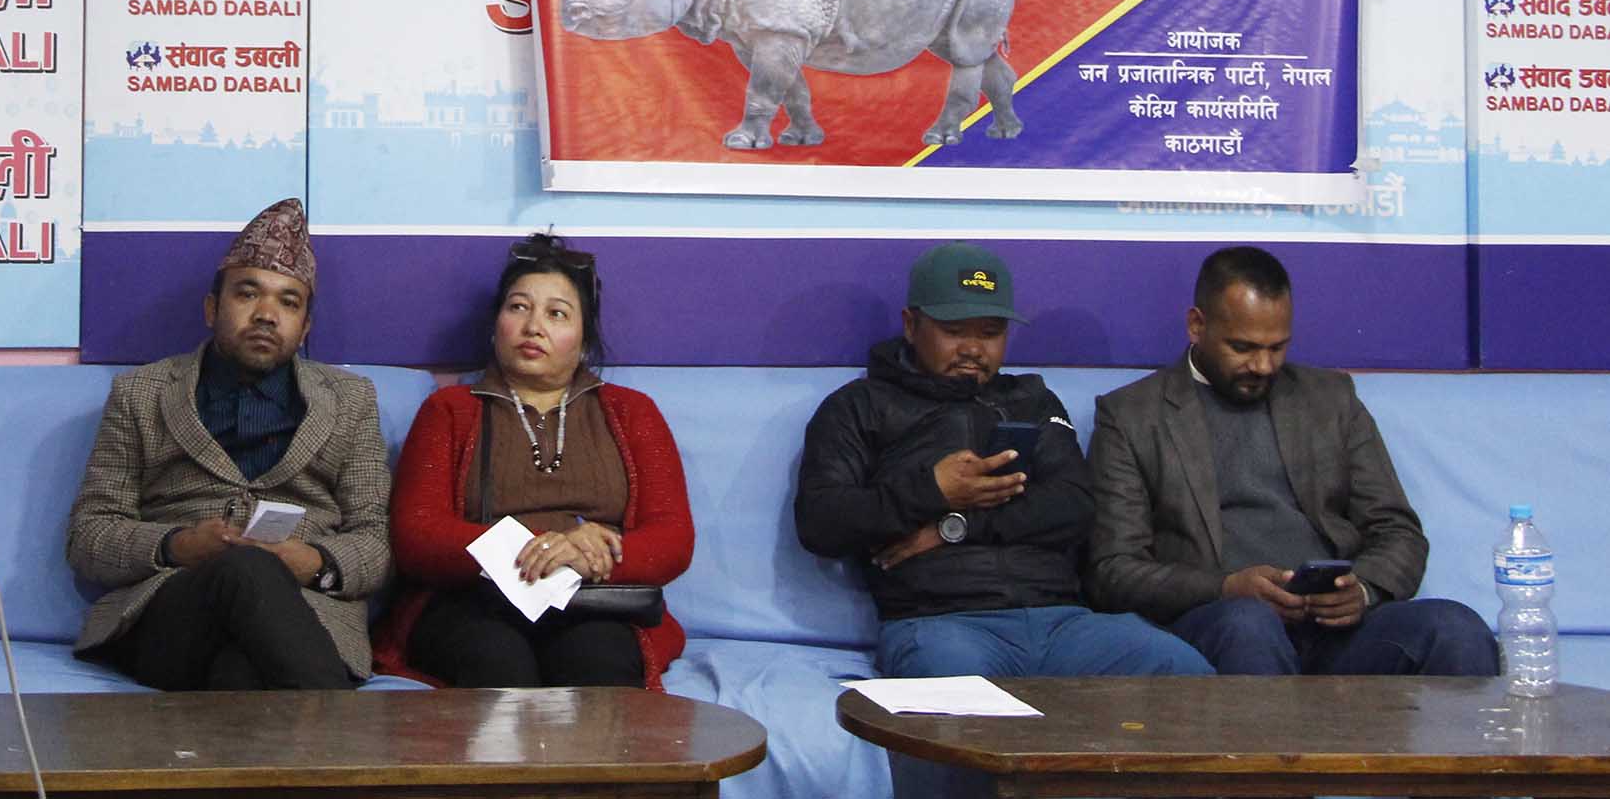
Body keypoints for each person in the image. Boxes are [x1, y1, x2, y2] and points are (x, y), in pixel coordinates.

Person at [797, 241, 1210, 674]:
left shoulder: (1032, 400)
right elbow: (820, 521)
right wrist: (932, 489)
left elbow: (1076, 505)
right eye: (955, 330)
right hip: (941, 622)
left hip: (1062, 621)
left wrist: (953, 527)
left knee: (1184, 671)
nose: (973, 349)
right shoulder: (858, 407)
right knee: (957, 692)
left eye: (990, 333)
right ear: (911, 325)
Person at [1088, 246, 1496, 677]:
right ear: (1196, 325)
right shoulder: (1133, 416)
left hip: (1336, 630)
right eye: (1242, 347)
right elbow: (1113, 569)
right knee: (1249, 623)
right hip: (1221, 622)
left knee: (1455, 629)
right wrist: (1225, 588)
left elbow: (1397, 530)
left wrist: (1361, 589)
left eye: (1277, 347)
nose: (1263, 366)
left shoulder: (1330, 399)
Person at [65, 198, 390, 690]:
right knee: (243, 569)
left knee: (239, 674)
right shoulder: (142, 394)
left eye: (288, 302)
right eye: (247, 294)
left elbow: (374, 541)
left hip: (304, 615)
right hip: (175, 612)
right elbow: (90, 536)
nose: (266, 315)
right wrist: (177, 545)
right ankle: (343, 724)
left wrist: (315, 563)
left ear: (305, 328)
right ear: (212, 308)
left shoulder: (350, 400)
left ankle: (311, 723)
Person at [375, 233, 694, 689]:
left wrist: (590, 556)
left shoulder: (632, 412)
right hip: (474, 599)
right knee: (498, 663)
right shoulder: (449, 410)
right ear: (495, 326)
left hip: (592, 600)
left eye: (556, 313)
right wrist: (535, 547)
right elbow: (416, 534)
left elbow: (673, 538)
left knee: (597, 663)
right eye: (518, 307)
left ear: (584, 339)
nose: (533, 326)